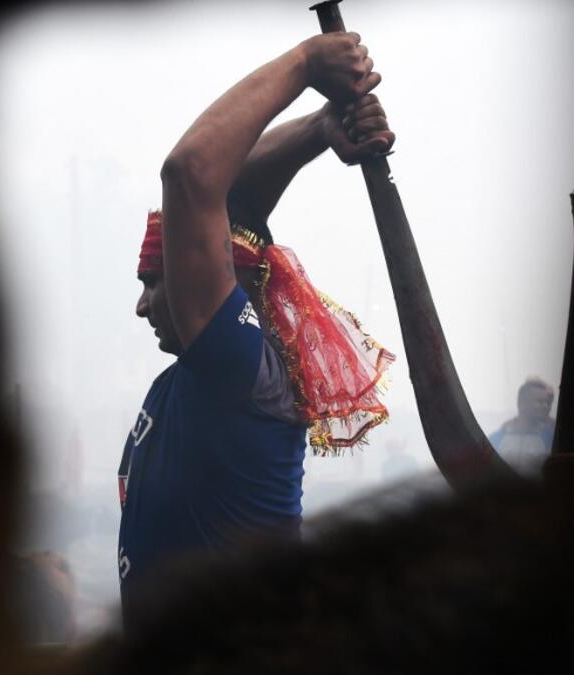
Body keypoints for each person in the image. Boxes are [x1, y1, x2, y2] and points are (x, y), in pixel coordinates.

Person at [117, 31, 397, 621]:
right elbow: (234, 200)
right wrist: (320, 129)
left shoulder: (236, 368)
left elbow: (192, 174)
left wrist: (304, 63)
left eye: (152, 282)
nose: (142, 306)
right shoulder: (219, 364)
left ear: (217, 284)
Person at [488, 377, 556, 475]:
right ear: (522, 403)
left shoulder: (551, 438)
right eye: (539, 402)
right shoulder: (496, 438)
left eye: (548, 403)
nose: (546, 406)